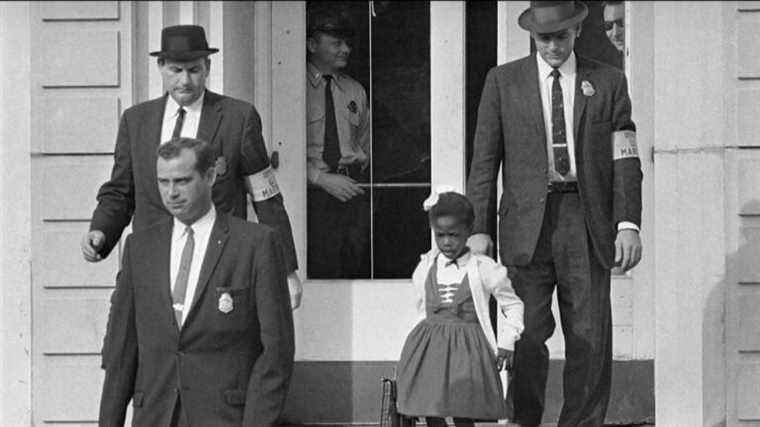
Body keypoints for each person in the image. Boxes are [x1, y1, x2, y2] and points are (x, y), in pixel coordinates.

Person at [466, 1, 642, 426]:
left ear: (577, 32)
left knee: (589, 337)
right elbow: (485, 162)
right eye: (544, 38)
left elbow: (625, 158)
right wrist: (478, 229)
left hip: (587, 220)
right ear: (531, 35)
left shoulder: (609, 81)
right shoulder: (503, 82)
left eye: (561, 36)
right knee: (525, 335)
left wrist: (628, 223)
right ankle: (524, 420)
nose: (552, 46)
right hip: (526, 225)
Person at [80, 24, 302, 309]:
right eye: (175, 70)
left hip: (219, 267)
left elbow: (266, 197)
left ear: (207, 67)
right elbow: (121, 191)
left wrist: (286, 270)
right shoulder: (136, 121)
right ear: (160, 67)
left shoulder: (239, 118)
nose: (185, 80)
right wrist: (101, 230)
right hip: (151, 265)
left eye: (194, 70)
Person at [98, 137, 294, 426]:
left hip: (225, 417)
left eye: (182, 181)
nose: (171, 193)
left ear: (211, 176)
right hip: (155, 415)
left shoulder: (255, 245)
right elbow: (122, 351)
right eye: (163, 182)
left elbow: (276, 351)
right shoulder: (140, 248)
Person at [396, 188, 524, 427]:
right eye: (440, 235)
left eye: (453, 235)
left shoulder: (483, 268)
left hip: (467, 349)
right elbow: (421, 308)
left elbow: (513, 304)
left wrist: (507, 340)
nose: (446, 242)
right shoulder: (426, 267)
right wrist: (409, 350)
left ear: (468, 231)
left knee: (463, 407)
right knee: (430, 405)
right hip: (429, 346)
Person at [306, 9, 371, 278]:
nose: (346, 49)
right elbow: (280, 153)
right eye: (336, 43)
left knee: (353, 271)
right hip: (311, 197)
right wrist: (319, 178)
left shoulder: (355, 90)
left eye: (347, 43)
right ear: (312, 45)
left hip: (349, 194)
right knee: (320, 272)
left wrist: (361, 159)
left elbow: (364, 143)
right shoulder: (293, 87)